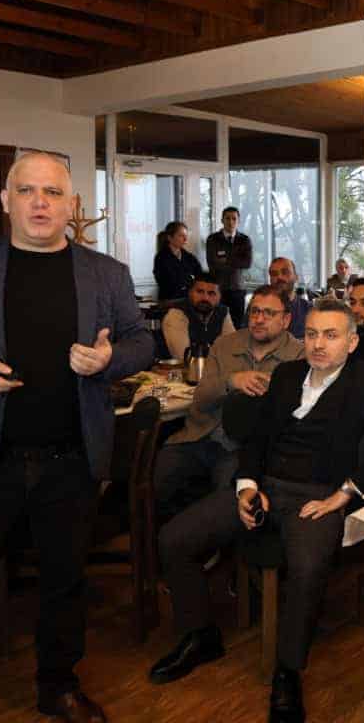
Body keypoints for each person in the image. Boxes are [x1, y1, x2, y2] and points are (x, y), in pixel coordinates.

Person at [0, 151, 154, 723]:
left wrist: (110, 359)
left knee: (65, 582)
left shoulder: (106, 273)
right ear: (6, 200)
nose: (40, 203)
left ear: (72, 205)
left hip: (71, 458)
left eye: (53, 192)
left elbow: (142, 341)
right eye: (27, 191)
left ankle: (58, 686)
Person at [156, 299, 364, 722]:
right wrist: (247, 486)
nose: (318, 344)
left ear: (351, 342)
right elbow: (257, 438)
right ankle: (200, 634)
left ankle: (288, 670)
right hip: (266, 487)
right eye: (311, 334)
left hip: (318, 496)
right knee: (174, 538)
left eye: (330, 335)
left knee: (307, 567)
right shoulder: (288, 374)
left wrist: (347, 492)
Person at [147, 285, 303, 685]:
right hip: (201, 436)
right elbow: (199, 398)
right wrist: (232, 380)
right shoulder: (226, 343)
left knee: (224, 495)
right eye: (255, 311)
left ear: (287, 319)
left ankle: (225, 569)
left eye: (269, 313)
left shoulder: (299, 355)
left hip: (242, 452)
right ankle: (174, 571)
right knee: (157, 476)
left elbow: (290, 419)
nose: (259, 318)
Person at [161, 271, 234, 362]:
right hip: (178, 370)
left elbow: (233, 348)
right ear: (190, 293)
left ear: (219, 297)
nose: (205, 298)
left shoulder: (222, 312)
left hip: (214, 368)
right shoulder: (176, 314)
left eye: (211, 293)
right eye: (199, 292)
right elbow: (183, 356)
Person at [205, 206, 252, 328]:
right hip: (218, 289)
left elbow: (247, 263)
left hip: (238, 289)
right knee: (217, 324)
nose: (231, 222)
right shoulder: (213, 239)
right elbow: (213, 264)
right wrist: (236, 260)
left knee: (237, 325)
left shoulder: (244, 240)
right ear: (222, 220)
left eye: (234, 218)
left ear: (238, 221)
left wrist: (225, 259)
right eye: (227, 218)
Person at [153, 221, 203, 302]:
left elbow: (200, 276)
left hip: (188, 299)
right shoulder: (161, 257)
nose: (185, 239)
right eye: (181, 236)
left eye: (186, 236)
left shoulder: (189, 257)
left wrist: (188, 280)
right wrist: (189, 279)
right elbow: (166, 282)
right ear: (170, 237)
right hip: (169, 300)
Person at [268, 256, 310, 339]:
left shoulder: (309, 310)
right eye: (274, 274)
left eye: (285, 272)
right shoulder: (258, 308)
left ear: (296, 277)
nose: (279, 277)